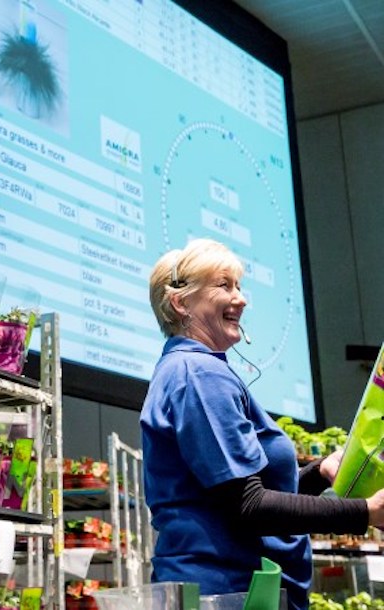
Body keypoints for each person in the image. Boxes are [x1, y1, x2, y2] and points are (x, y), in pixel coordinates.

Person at [140, 238, 384, 610]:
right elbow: (249, 505)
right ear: (181, 302)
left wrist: (320, 472)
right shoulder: (199, 374)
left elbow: (234, 495)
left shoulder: (193, 371)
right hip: (225, 593)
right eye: (224, 285)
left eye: (239, 286)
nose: (241, 298)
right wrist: (365, 512)